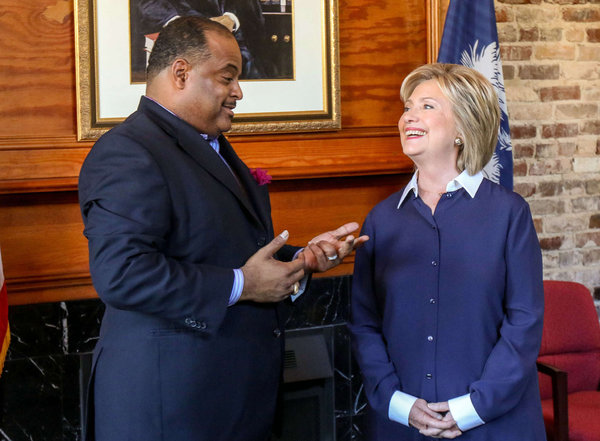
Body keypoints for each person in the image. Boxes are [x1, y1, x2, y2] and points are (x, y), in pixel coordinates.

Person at [78, 16, 367, 441]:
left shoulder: (212, 146)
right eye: (227, 77)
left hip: (230, 404)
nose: (238, 92)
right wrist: (242, 284)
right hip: (170, 413)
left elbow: (225, 251)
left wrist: (300, 261)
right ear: (180, 73)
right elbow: (122, 274)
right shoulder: (128, 152)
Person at [349, 63, 545, 440]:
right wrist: (397, 403)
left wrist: (473, 408)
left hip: (494, 424)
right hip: (401, 425)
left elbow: (524, 323)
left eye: (427, 106)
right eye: (407, 107)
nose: (408, 116)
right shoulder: (381, 219)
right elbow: (363, 324)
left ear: (462, 127)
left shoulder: (509, 213)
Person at [135, 0, 276, 78]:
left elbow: (250, 6)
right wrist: (185, 25)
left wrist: (231, 18)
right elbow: (147, 4)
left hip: (241, 50)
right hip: (187, 46)